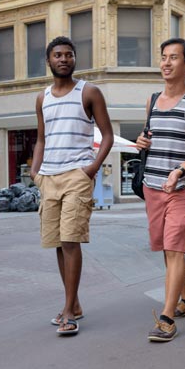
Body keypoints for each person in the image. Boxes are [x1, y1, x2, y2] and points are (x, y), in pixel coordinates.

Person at [31, 36, 113, 336]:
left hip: (77, 176)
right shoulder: (42, 98)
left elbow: (107, 135)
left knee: (70, 241)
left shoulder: (89, 92)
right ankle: (73, 303)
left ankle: (68, 311)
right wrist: (34, 170)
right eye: (57, 55)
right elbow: (41, 138)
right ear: (49, 60)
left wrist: (91, 169)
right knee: (57, 242)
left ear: (75, 59)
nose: (63, 59)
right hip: (48, 178)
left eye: (68, 55)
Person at [135, 38, 185, 342]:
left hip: (184, 187)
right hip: (153, 187)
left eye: (174, 58)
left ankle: (167, 318)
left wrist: (181, 170)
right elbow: (149, 137)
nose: (166, 63)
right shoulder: (153, 99)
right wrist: (142, 142)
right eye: (164, 57)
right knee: (166, 250)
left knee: (174, 248)